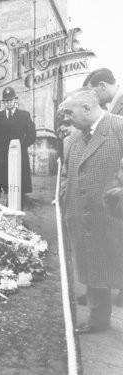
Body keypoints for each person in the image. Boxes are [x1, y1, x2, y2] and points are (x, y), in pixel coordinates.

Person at [59, 87, 123, 334]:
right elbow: (65, 174)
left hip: (114, 216)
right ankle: (98, 320)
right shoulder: (72, 139)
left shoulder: (118, 128)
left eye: (69, 112)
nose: (66, 118)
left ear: (86, 108)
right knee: (94, 267)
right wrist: (66, 195)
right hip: (83, 216)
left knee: (116, 263)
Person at [79, 68, 123, 307]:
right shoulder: (112, 107)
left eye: (93, 93)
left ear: (103, 86)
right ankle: (103, 290)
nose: (92, 99)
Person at [0, 87, 36, 198]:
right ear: (3, 102)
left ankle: (21, 197)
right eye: (6, 101)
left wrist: (21, 145)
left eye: (10, 100)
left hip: (19, 152)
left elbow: (32, 135)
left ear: (15, 100)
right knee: (2, 177)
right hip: (2, 154)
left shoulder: (24, 116)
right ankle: (3, 195)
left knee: (19, 177)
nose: (9, 103)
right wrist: (3, 146)